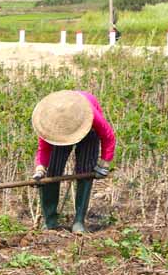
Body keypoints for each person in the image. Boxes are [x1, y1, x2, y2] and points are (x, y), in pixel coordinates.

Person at [31, 89, 115, 234]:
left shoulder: (90, 114)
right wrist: (40, 168)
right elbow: (44, 148)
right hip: (59, 134)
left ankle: (79, 221)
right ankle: (50, 220)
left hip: (88, 130)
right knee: (52, 171)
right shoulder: (49, 122)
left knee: (85, 170)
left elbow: (108, 136)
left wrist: (104, 164)